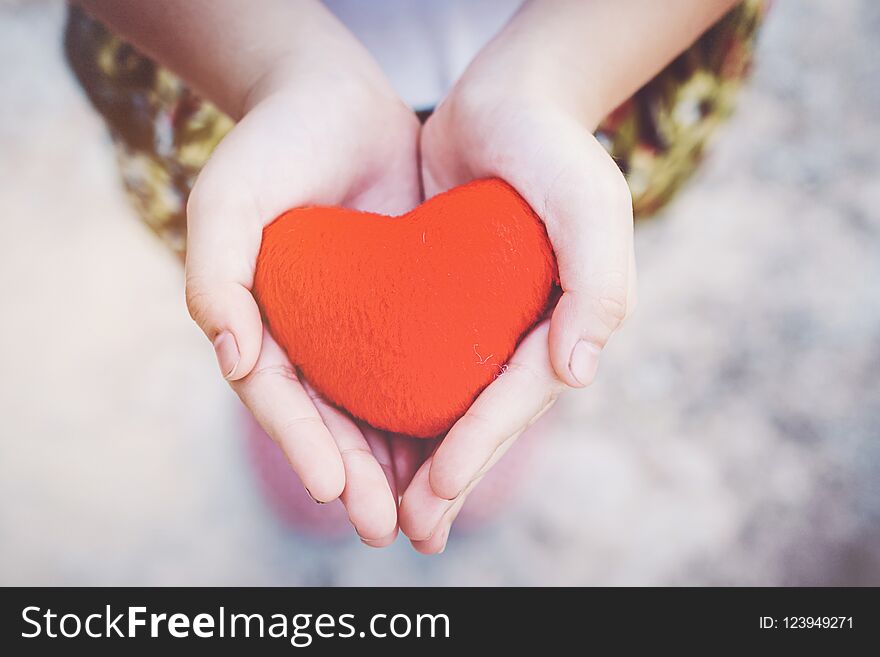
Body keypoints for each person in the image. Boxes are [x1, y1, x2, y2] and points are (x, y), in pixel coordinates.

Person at [67, 0, 767, 553]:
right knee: (240, 256)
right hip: (218, 52)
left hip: (604, 55)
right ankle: (300, 348)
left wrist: (553, 81)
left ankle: (494, 362)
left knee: (561, 241)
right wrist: (278, 67)